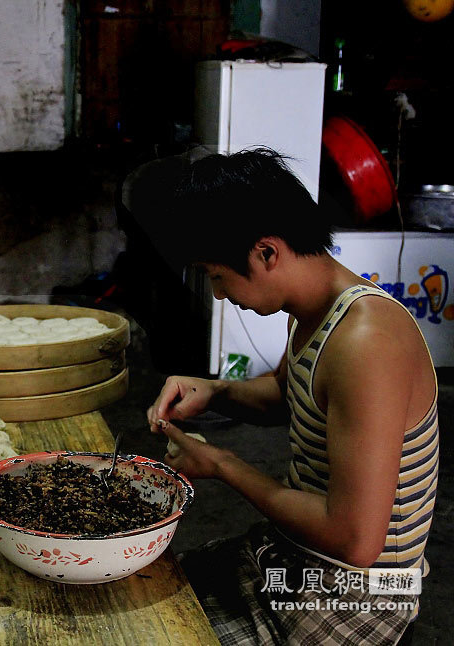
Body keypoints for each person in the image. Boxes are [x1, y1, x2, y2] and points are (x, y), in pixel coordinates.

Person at [134, 149, 438, 645]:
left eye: (216, 274)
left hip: (358, 591)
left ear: (267, 252)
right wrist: (214, 391)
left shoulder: (367, 342)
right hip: (295, 552)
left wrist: (221, 464)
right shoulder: (313, 309)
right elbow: (287, 394)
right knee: (137, 596)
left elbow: (357, 542)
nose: (217, 293)